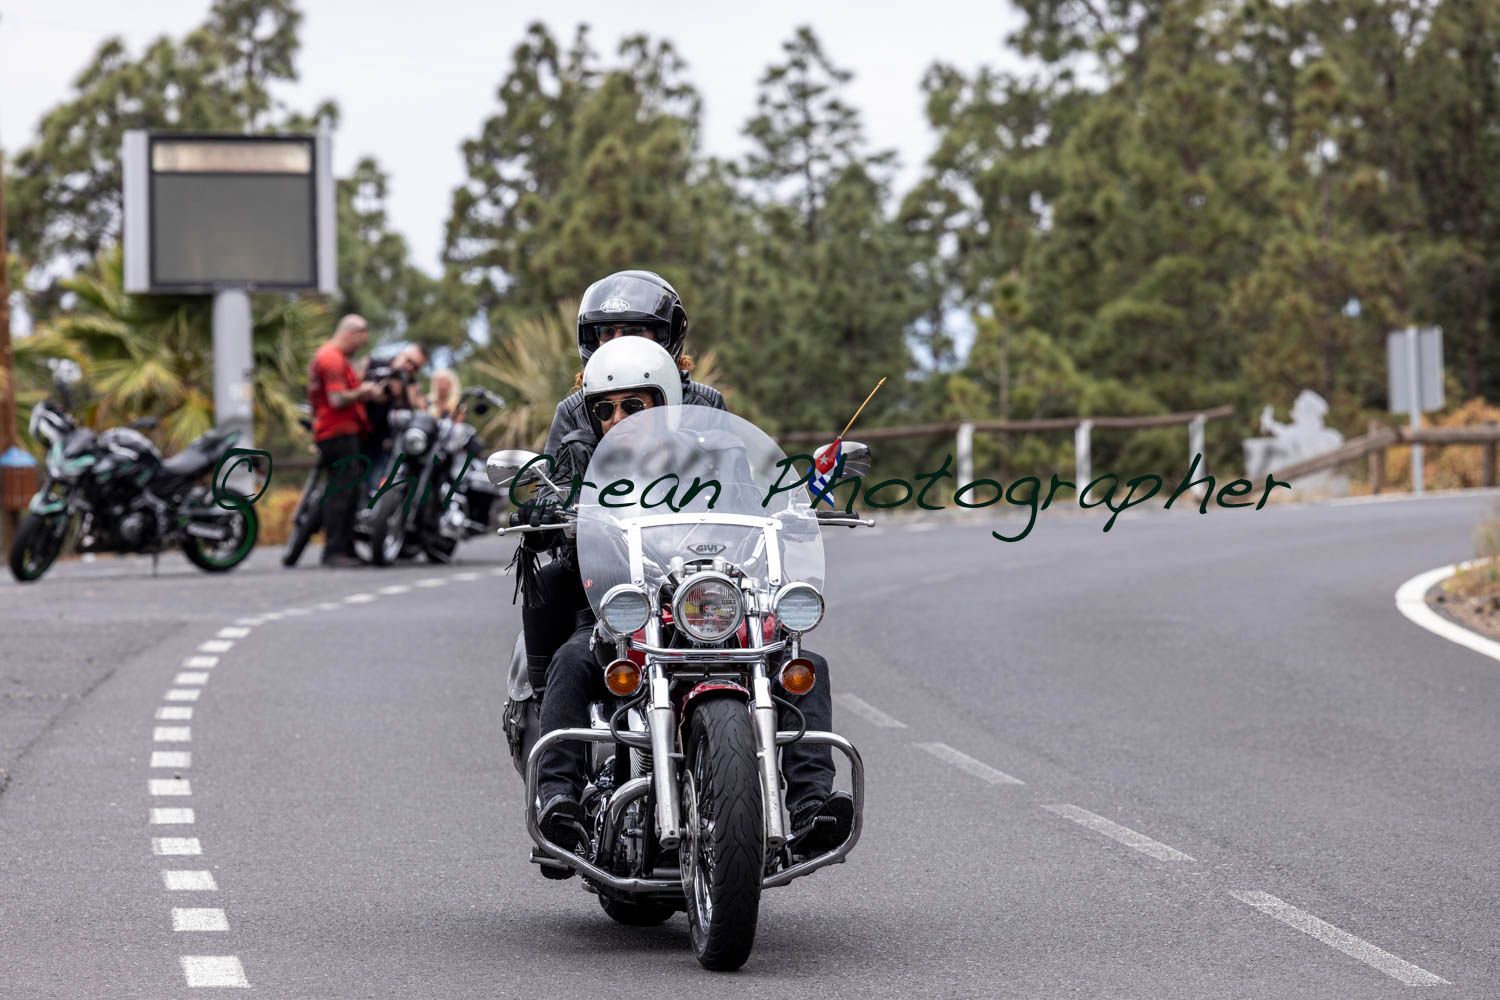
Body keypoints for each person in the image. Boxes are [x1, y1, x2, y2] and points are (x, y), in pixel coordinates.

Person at [530, 335, 851, 880]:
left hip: (708, 605)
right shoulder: (581, 457)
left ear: (667, 402)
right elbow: (551, 496)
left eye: (634, 405)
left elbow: (755, 511)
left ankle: (808, 806)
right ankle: (558, 805)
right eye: (604, 409)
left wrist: (796, 509)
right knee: (570, 662)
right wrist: (547, 507)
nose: (617, 418)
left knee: (804, 667)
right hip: (623, 611)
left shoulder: (717, 453)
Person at [308, 314, 381, 568]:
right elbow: (337, 400)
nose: (360, 346)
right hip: (336, 433)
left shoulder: (337, 359)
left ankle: (346, 548)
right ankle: (334, 550)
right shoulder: (331, 358)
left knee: (351, 491)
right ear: (353, 333)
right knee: (341, 492)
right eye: (360, 341)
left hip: (343, 432)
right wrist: (363, 392)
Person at [361, 343, 427, 487]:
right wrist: (371, 391)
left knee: (372, 486)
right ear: (401, 354)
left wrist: (403, 396)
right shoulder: (375, 364)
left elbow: (416, 414)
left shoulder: (411, 384)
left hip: (382, 443)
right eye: (409, 361)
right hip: (358, 433)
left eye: (416, 367)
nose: (410, 368)